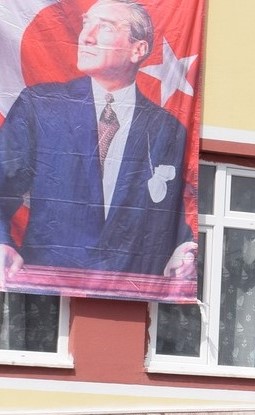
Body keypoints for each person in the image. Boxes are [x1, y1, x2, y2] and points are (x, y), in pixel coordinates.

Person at [0, 1, 196, 280]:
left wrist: (182, 249)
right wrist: (2, 242)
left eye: (105, 27)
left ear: (138, 49)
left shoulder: (167, 129)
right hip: (48, 290)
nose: (86, 36)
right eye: (86, 24)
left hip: (127, 291)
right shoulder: (40, 106)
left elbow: (169, 211)